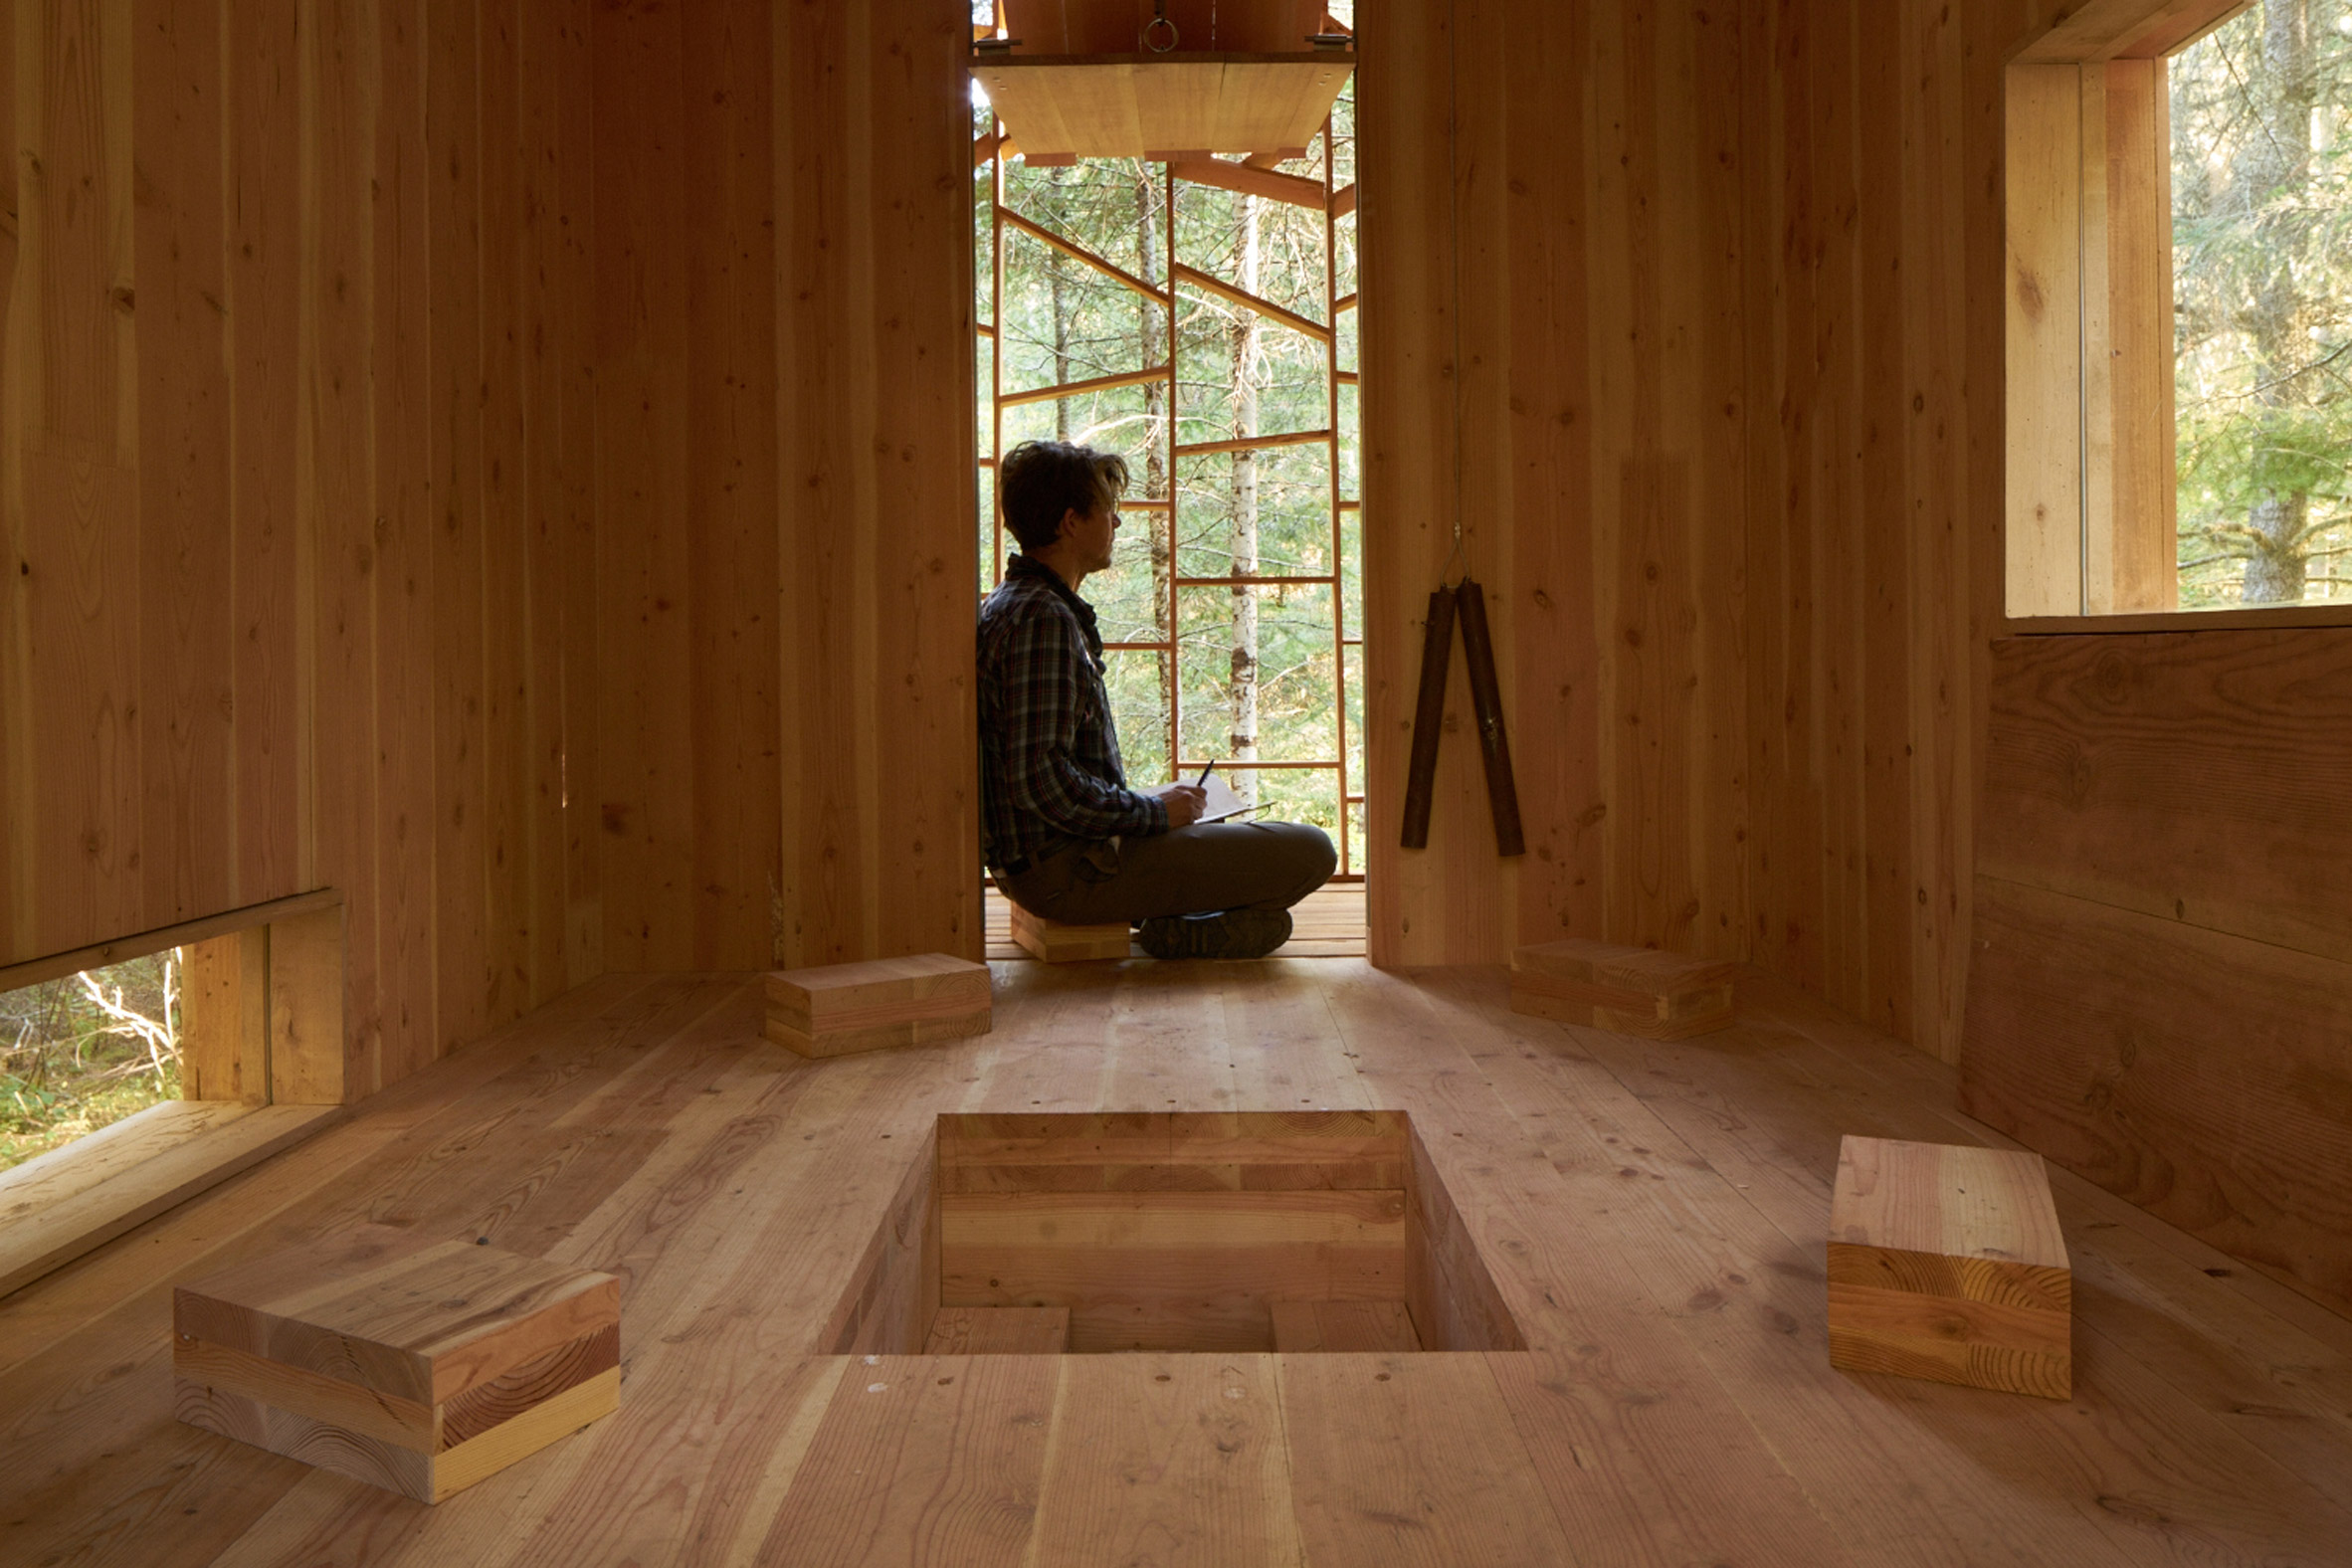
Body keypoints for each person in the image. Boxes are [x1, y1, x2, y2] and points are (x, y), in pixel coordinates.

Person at [978, 440, 1336, 959]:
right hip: (1069, 872)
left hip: (1060, 858)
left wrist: (1154, 806)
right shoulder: (1042, 618)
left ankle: (1180, 919)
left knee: (1208, 821)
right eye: (1108, 510)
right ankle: (1177, 922)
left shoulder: (1017, 602)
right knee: (1311, 851)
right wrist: (1152, 814)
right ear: (1071, 522)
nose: (1117, 523)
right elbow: (1040, 781)